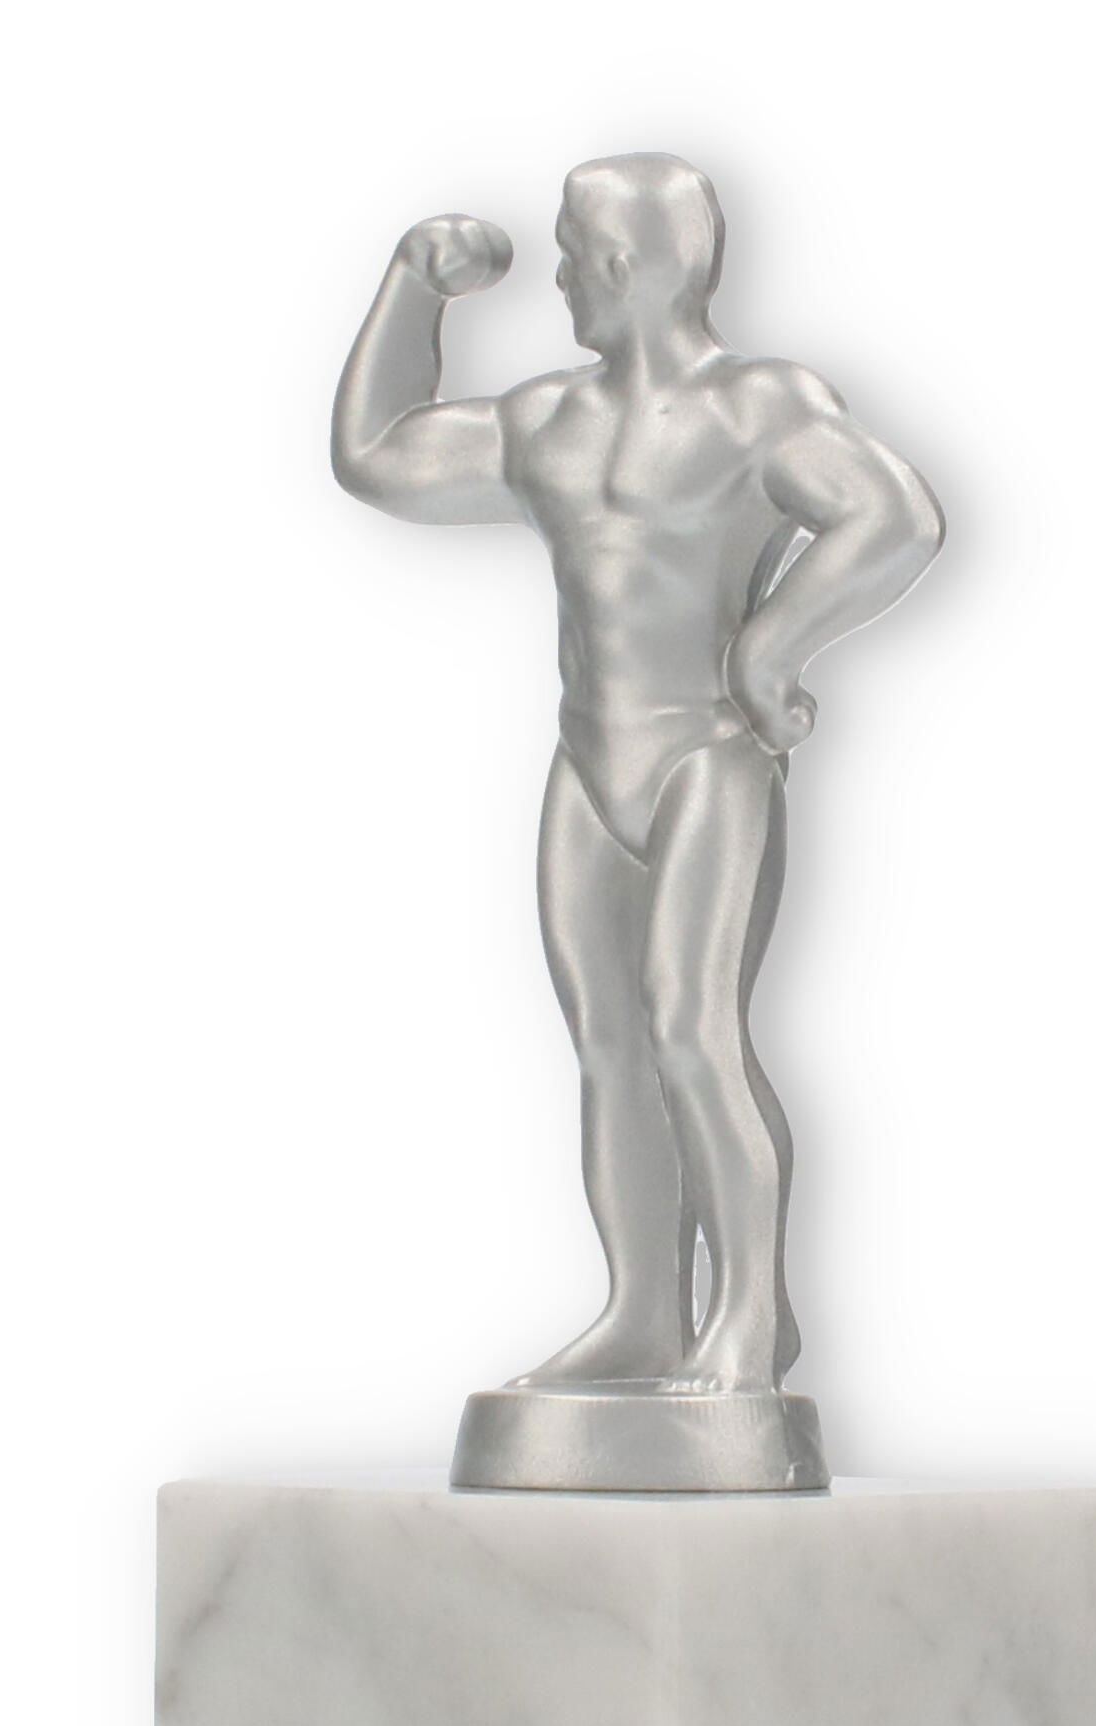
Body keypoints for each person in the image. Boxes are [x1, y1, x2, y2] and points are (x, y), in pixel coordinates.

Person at [332, 154, 943, 1396]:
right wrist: (410, 287)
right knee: (609, 1043)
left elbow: (895, 518)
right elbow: (378, 455)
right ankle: (643, 1312)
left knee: (690, 1030)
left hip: (704, 754)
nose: (558, 277)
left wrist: (769, 646)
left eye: (572, 255)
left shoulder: (756, 406)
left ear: (621, 265)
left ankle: (747, 1315)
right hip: (588, 761)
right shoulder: (549, 420)